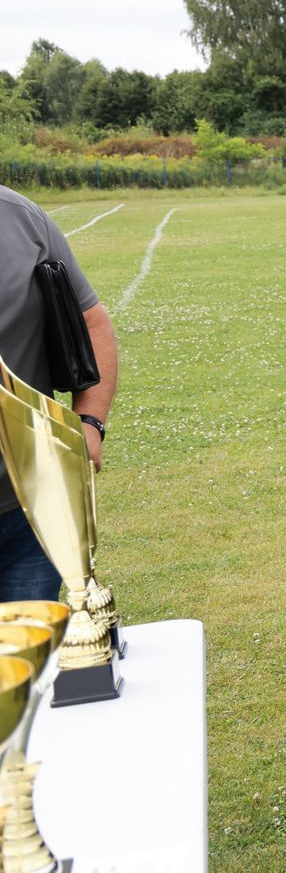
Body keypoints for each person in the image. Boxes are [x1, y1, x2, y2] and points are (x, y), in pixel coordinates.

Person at [0, 185, 119, 601]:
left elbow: (92, 323)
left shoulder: (18, 216)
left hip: (32, 507)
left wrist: (89, 424)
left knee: (33, 662)